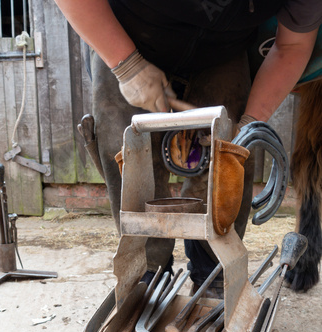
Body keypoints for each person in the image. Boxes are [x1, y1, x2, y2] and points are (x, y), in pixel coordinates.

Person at [54, 0, 321, 295]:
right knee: (131, 157)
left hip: (222, 52)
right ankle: (148, 273)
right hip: (130, 34)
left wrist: (248, 122)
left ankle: (214, 273)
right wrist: (126, 64)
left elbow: (292, 45)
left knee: (227, 160)